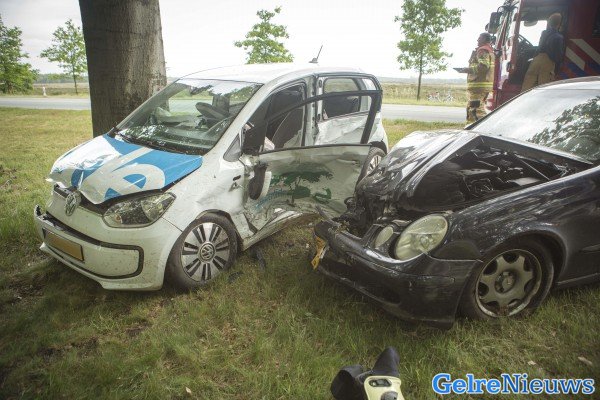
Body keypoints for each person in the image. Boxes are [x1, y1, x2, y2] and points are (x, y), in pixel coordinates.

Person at [521, 13, 564, 91]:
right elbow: (558, 56)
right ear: (559, 24)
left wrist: (534, 57)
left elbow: (539, 47)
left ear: (549, 23)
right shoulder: (559, 37)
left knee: (527, 85)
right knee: (544, 87)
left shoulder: (544, 33)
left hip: (536, 60)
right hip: (548, 62)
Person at [466, 32, 495, 122]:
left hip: (478, 87)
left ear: (484, 39)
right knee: (473, 110)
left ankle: (482, 128)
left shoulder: (482, 50)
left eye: (479, 38)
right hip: (484, 85)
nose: (477, 40)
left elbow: (484, 66)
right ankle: (471, 128)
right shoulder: (490, 51)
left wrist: (467, 70)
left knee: (476, 111)